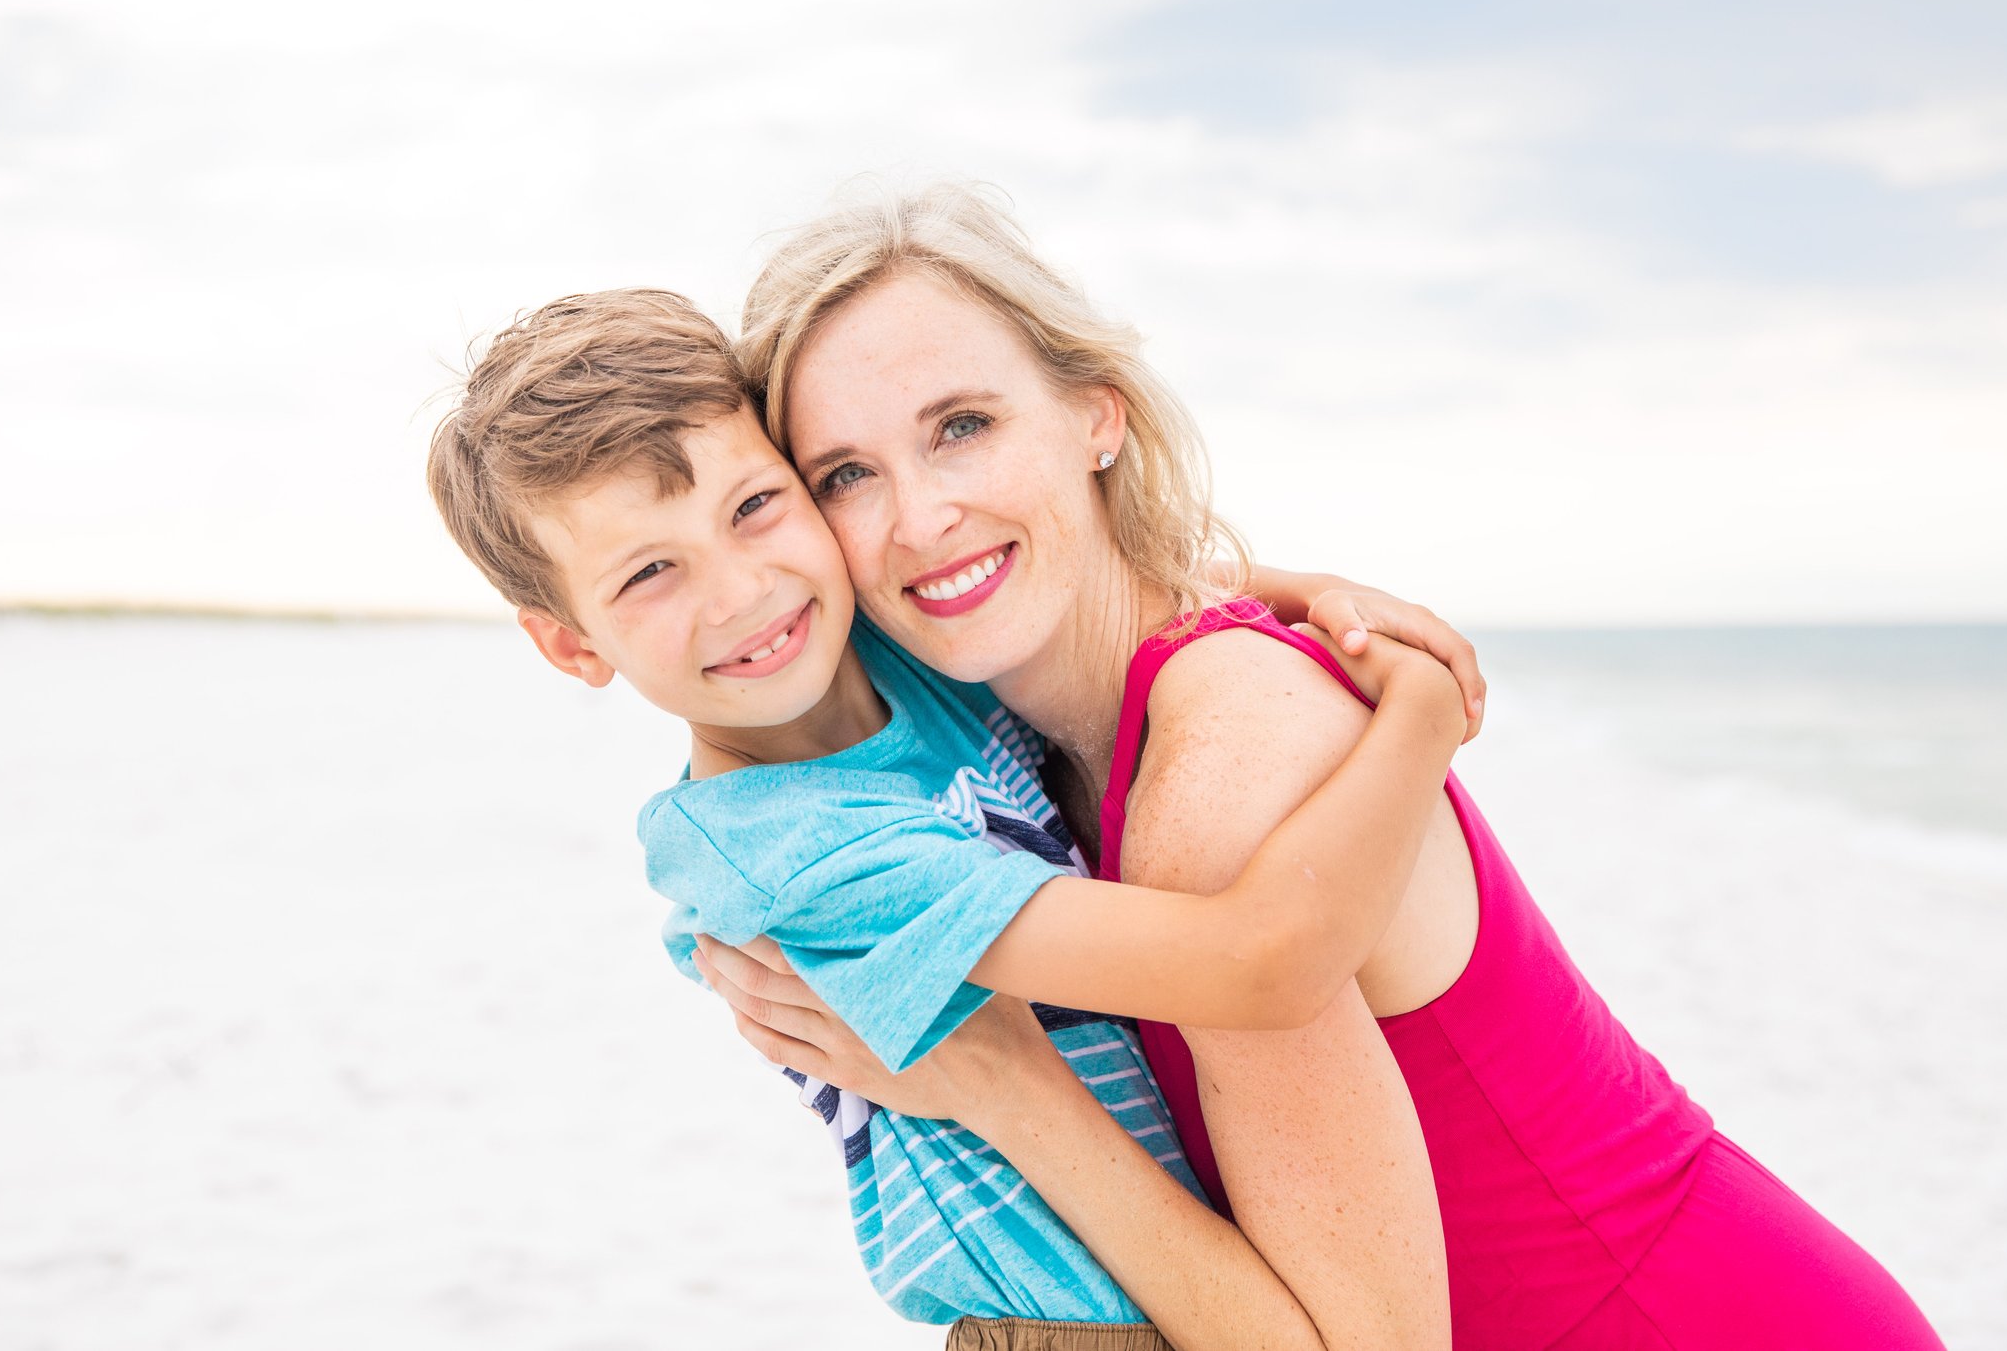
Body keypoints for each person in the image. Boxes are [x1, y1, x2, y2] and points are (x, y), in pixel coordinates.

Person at [711, 181, 1946, 1351]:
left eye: (964, 426)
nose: (919, 515)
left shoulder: (1215, 767)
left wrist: (999, 1082)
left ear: (1098, 413)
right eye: (847, 475)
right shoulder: (1011, 729)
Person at [423, 288, 1477, 1349]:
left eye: (752, 507)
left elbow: (1058, 570)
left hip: (1165, 1253)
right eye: (650, 571)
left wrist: (1300, 590)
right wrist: (1422, 713)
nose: (743, 592)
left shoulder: (875, 656)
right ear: (571, 643)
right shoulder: (792, 851)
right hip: (1068, 1321)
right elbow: (1264, 965)